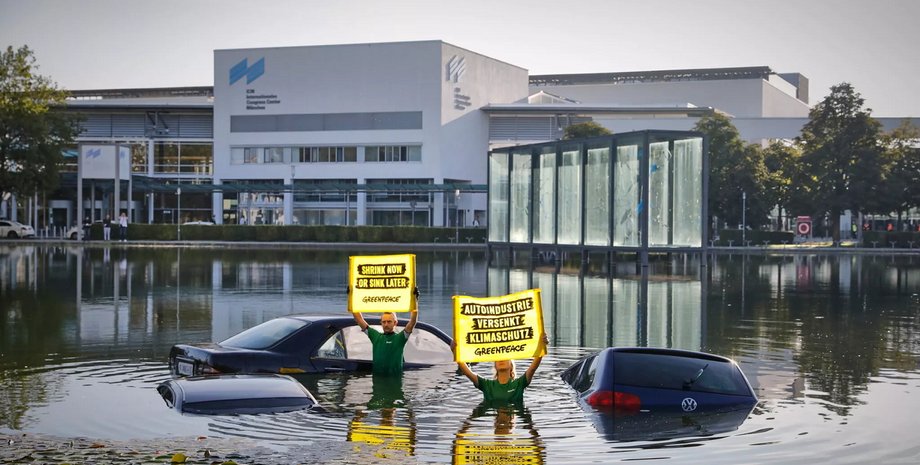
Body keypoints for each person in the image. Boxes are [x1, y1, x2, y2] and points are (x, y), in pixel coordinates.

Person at [454, 334, 547, 404]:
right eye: (498, 358)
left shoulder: (519, 383)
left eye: (505, 357)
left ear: (511, 366)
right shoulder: (487, 385)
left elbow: (533, 368)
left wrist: (542, 345)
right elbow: (467, 372)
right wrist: (455, 351)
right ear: (495, 366)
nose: (501, 359)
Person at [352, 303, 418, 376]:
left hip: (395, 381)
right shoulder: (375, 336)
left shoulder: (400, 338)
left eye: (389, 322)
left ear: (395, 323)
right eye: (384, 322)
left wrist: (414, 302)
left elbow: (412, 322)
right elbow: (359, 319)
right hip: (378, 381)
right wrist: (353, 299)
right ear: (381, 323)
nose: (386, 324)